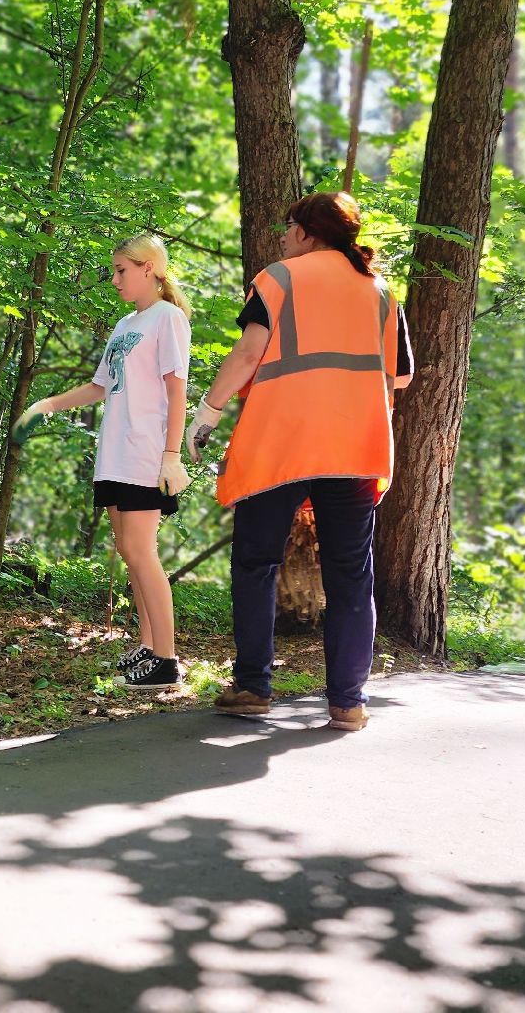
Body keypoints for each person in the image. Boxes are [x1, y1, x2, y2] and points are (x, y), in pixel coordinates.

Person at [186, 192, 413, 731]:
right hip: (355, 448)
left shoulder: (279, 279)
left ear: (309, 233)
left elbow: (247, 353)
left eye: (289, 226)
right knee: (352, 576)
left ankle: (252, 687)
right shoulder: (381, 292)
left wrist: (207, 414)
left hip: (282, 444)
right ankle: (348, 703)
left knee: (257, 563)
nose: (283, 235)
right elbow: (400, 376)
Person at [14, 233, 193, 692]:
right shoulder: (124, 324)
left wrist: (171, 456)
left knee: (141, 553)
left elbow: (177, 391)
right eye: (114, 271)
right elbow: (100, 387)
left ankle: (167, 660)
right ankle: (149, 646)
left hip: (144, 454)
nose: (114, 280)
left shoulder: (167, 318)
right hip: (114, 452)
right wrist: (46, 405)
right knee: (129, 555)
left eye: (121, 271)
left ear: (149, 268)